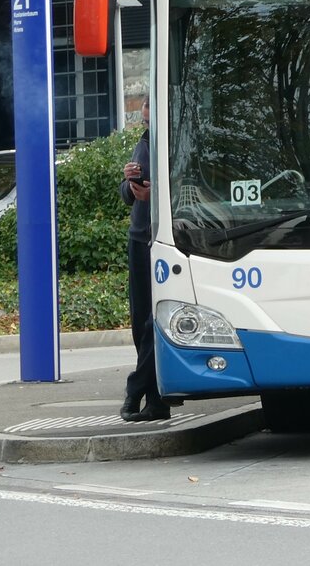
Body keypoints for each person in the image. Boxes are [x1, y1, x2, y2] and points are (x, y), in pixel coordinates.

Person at [119, 97, 170, 422]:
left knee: (155, 321)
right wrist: (129, 184)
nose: (146, 127)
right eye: (144, 121)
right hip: (139, 236)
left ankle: (137, 389)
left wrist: (156, 195)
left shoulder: (174, 142)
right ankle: (155, 400)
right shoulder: (144, 143)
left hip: (163, 238)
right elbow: (126, 194)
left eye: (150, 121)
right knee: (140, 323)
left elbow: (184, 188)